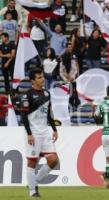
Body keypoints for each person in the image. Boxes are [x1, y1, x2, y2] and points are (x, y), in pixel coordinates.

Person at [20, 68, 59, 197]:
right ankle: (32, 192)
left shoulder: (47, 94)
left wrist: (54, 129)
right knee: (32, 162)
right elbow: (24, 116)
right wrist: (29, 133)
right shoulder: (27, 95)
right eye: (39, 77)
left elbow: (49, 114)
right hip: (33, 133)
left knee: (53, 160)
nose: (42, 79)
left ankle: (34, 182)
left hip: (45, 133)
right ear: (32, 80)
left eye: (42, 76)